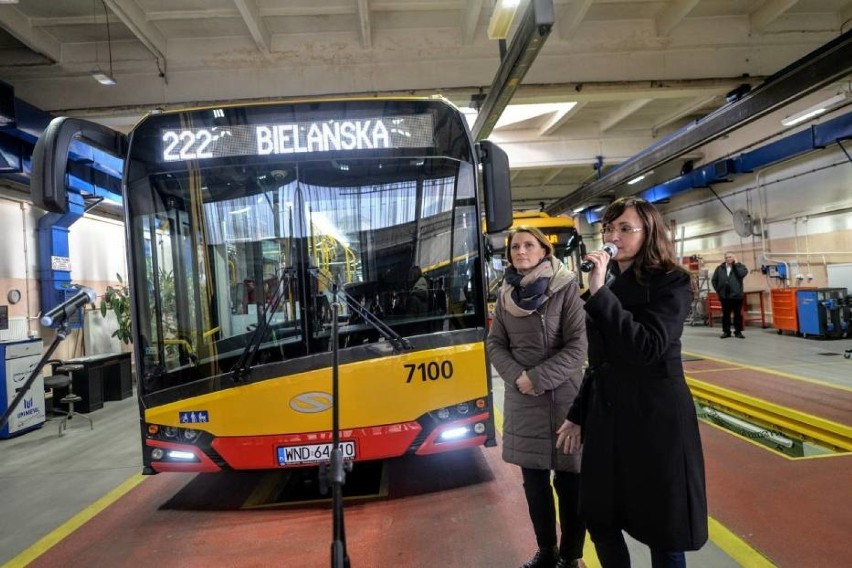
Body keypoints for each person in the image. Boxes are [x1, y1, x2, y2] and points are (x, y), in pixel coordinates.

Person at [555, 197, 708, 568]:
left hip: (654, 419)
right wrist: (578, 413)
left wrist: (601, 293)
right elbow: (600, 363)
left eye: (625, 228)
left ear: (649, 233)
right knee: (599, 515)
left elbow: (647, 347)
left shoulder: (672, 282)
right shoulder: (608, 283)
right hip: (608, 417)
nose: (613, 236)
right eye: (609, 227)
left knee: (663, 526)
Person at [487, 226, 588, 568]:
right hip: (524, 399)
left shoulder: (566, 287)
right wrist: (519, 377)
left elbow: (578, 346)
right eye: (515, 246)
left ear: (544, 250)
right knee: (534, 484)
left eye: (528, 245)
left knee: (571, 481)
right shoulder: (505, 295)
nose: (520, 251)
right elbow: (495, 344)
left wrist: (538, 377)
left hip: (566, 401)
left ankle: (572, 556)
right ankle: (547, 551)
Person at [711, 252, 748, 338]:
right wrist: (719, 290)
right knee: (726, 315)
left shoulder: (740, 267)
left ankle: (738, 332)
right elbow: (714, 280)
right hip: (725, 296)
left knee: (737, 314)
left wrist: (737, 264)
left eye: (730, 257)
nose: (728, 259)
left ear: (734, 257)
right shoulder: (720, 268)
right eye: (726, 257)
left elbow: (742, 274)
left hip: (737, 296)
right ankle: (726, 332)